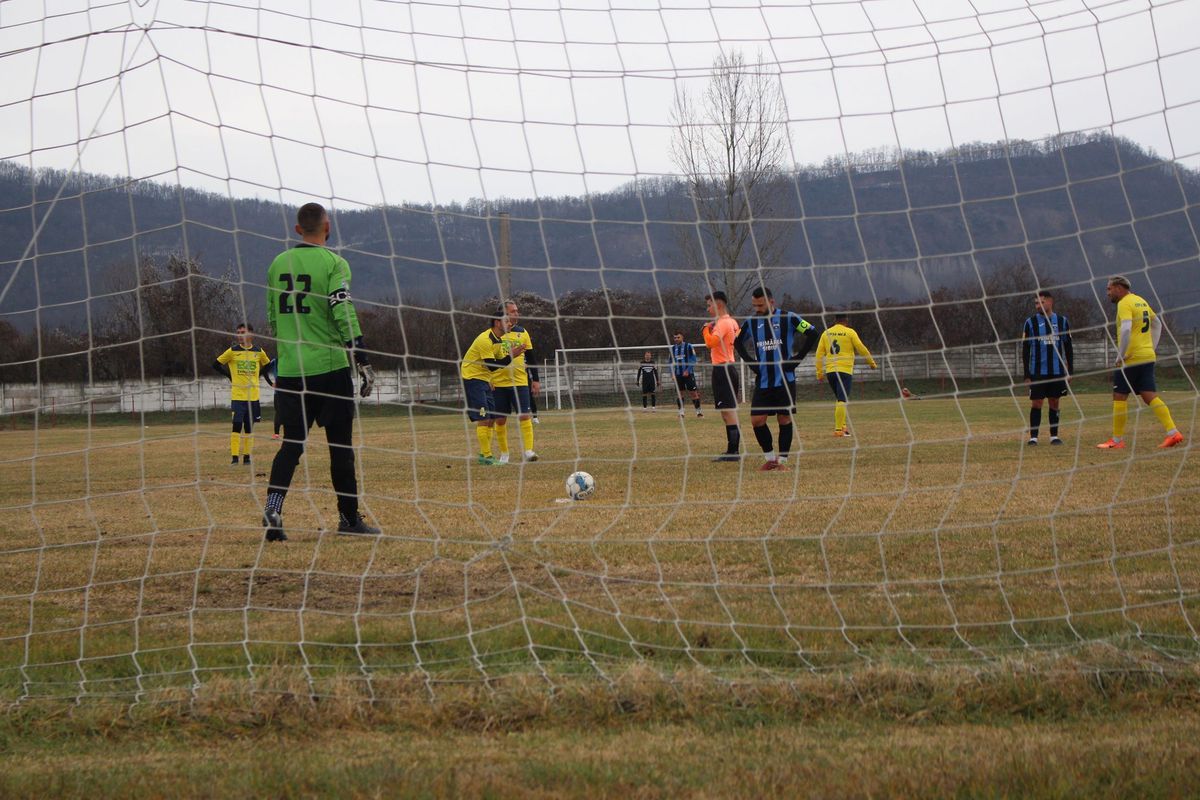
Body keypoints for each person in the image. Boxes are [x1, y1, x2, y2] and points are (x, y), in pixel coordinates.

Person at [261, 202, 379, 542]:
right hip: (329, 368)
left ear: (298, 229)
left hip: (292, 373)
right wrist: (362, 359)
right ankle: (348, 518)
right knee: (340, 446)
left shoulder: (277, 264)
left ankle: (274, 507)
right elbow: (343, 311)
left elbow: (272, 317)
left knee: (291, 445)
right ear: (327, 227)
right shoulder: (333, 263)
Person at [1097, 276, 1185, 450]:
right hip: (1147, 356)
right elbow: (1157, 323)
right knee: (1149, 395)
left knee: (1119, 395)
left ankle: (1116, 440)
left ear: (1119, 288)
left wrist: (1121, 355)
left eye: (1109, 289)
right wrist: (1151, 346)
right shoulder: (1141, 301)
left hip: (1131, 358)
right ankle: (1173, 432)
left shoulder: (1124, 303)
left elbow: (1127, 329)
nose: (1107, 293)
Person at [735, 287, 819, 470]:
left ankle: (782, 462)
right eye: (754, 305)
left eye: (760, 305)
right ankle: (770, 458)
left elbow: (813, 333)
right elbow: (737, 342)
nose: (757, 308)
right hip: (764, 380)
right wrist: (751, 363)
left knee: (784, 419)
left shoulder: (789, 318)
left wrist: (796, 359)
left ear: (771, 302)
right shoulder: (751, 322)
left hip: (785, 380)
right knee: (757, 420)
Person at [213, 324, 273, 465]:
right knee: (237, 425)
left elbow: (268, 365)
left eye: (243, 332)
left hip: (253, 396)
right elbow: (215, 364)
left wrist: (259, 375)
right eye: (238, 333)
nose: (240, 335)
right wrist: (229, 376)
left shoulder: (258, 352)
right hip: (238, 396)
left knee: (249, 427)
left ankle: (247, 457)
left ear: (250, 335)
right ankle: (234, 458)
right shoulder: (232, 351)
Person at [1021, 291, 1073, 446]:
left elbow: (1068, 347)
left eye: (1041, 302)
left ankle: (1054, 436)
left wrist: (1070, 371)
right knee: (1036, 403)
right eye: (1036, 303)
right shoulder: (1030, 323)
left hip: (1057, 371)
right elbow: (1025, 349)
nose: (1038, 306)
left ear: (1050, 302)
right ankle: (1033, 437)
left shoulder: (1062, 321)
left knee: (1055, 402)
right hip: (1038, 371)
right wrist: (1026, 373)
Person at [814, 312, 877, 437]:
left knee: (839, 400)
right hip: (844, 371)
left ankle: (843, 427)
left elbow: (819, 354)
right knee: (842, 400)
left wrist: (819, 372)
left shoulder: (826, 333)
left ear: (835, 320)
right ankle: (838, 430)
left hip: (831, 371)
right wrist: (872, 363)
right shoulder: (850, 332)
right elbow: (861, 348)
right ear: (846, 320)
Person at [492, 300, 538, 463]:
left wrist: (536, 379)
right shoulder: (494, 334)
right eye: (513, 311)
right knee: (500, 419)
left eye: (517, 311)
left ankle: (528, 451)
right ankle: (504, 454)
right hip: (499, 383)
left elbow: (531, 356)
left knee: (524, 415)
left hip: (519, 382)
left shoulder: (523, 332)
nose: (517, 313)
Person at [701, 291, 742, 461]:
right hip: (728, 367)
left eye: (709, 305)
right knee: (726, 411)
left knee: (729, 411)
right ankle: (731, 450)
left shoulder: (723, 323)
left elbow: (710, 343)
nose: (708, 308)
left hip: (723, 369)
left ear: (718, 305)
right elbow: (738, 337)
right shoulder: (732, 322)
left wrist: (705, 329)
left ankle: (734, 452)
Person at [669, 332, 703, 417]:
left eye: (678, 337)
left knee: (693, 393)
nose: (676, 339)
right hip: (678, 375)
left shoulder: (689, 346)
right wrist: (672, 373)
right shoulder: (672, 349)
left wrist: (688, 370)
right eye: (675, 338)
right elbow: (670, 363)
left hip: (689, 374)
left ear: (682, 337)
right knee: (680, 393)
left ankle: (698, 412)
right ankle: (681, 413)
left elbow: (693, 359)